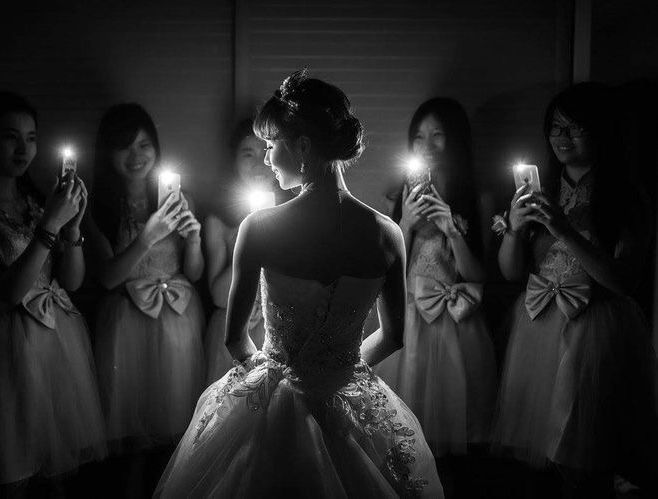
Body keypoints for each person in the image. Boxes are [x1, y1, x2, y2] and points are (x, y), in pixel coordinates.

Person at [155, 70, 443, 498]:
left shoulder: (260, 228)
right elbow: (394, 337)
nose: (268, 159)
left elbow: (235, 340)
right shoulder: (387, 234)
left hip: (272, 402)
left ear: (303, 147)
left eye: (272, 146)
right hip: (348, 392)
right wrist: (337, 375)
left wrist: (278, 382)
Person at [492, 82, 658, 498]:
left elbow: (624, 281)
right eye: (556, 128)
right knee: (540, 463)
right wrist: (513, 229)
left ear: (602, 131)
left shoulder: (625, 196)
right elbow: (513, 273)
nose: (563, 138)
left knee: (587, 457)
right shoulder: (538, 189)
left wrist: (564, 229)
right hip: (538, 324)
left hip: (597, 329)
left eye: (576, 128)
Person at [377, 98, 496, 496]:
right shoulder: (399, 196)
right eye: (419, 136)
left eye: (437, 134)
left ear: (455, 141)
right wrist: (405, 224)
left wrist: (451, 228)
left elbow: (480, 275)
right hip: (410, 317)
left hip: (458, 322)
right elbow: (386, 269)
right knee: (405, 434)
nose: (426, 143)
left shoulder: (476, 199)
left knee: (456, 436)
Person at [87, 103, 205, 494]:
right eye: (125, 147)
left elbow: (194, 273)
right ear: (108, 152)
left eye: (144, 145)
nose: (136, 156)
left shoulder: (179, 196)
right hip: (124, 322)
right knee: (129, 441)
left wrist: (194, 239)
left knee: (175, 436)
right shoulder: (98, 206)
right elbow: (107, 276)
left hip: (177, 317)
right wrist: (148, 236)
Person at [0, 92, 106, 495]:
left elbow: (72, 282)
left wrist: (73, 227)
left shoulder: (35, 201)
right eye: (11, 137)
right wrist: (48, 225)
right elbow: (9, 293)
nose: (23, 148)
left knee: (56, 477)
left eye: (31, 138)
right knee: (14, 469)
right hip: (12, 347)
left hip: (55, 340)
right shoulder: (42, 211)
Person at [203, 119, 290, 383]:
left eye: (265, 150)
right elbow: (218, 295)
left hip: (278, 325)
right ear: (234, 160)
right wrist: (252, 239)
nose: (258, 162)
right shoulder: (218, 220)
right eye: (247, 153)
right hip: (232, 327)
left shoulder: (293, 213)